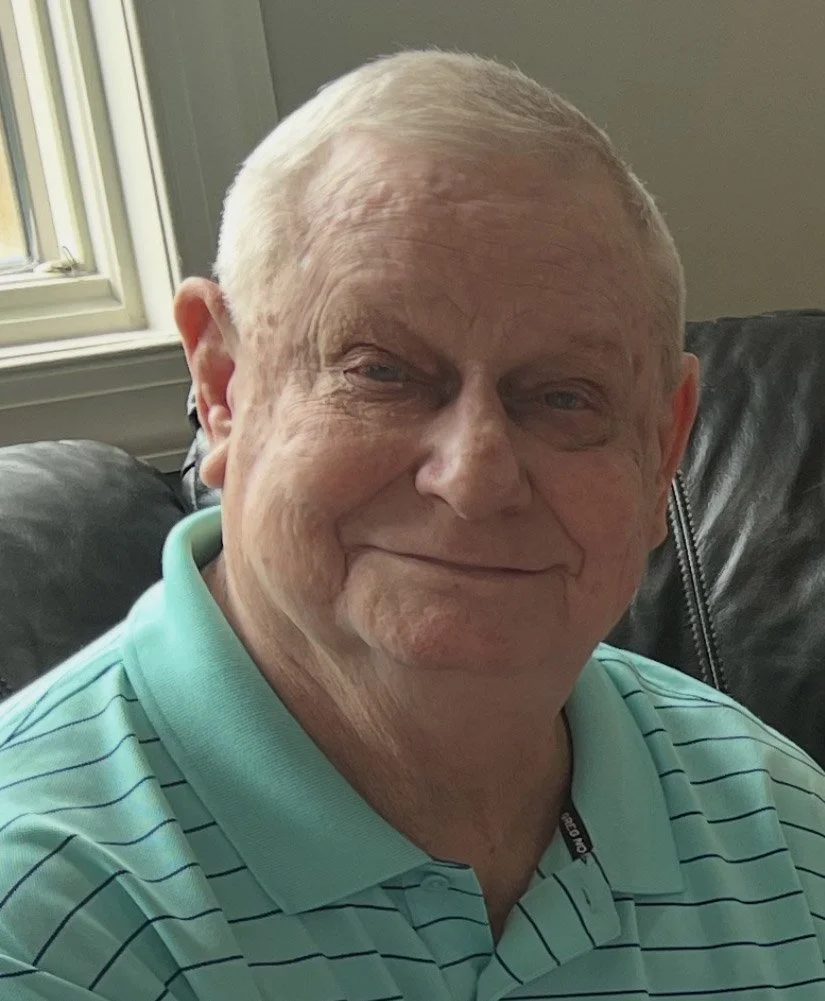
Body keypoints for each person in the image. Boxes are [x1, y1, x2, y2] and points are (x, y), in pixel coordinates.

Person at [1, 50, 824, 1001]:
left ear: (663, 450)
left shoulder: (778, 827)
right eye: (379, 370)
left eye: (564, 396)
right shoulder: (44, 919)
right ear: (223, 388)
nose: (474, 477)